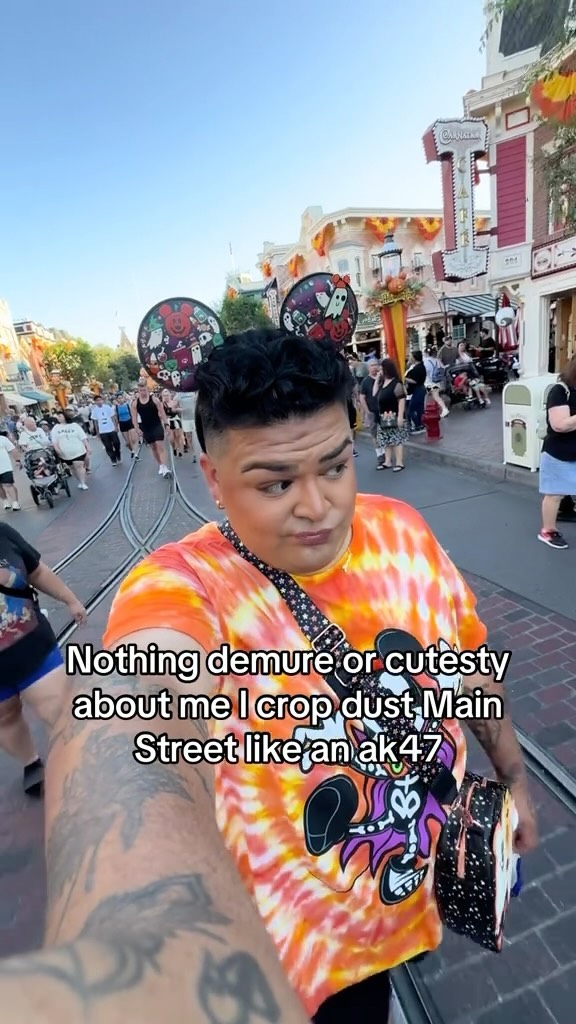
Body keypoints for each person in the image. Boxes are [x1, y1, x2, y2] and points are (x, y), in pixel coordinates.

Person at [0, 327, 538, 1022]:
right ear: (212, 479)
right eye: (276, 482)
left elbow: (467, 665)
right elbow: (128, 714)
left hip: (417, 877)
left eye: (335, 467)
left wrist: (515, 779)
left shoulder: (402, 529)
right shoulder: (183, 585)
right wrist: (134, 934)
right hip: (301, 954)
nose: (317, 506)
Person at [0, 523, 86, 795]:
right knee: (4, 717)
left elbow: (37, 571)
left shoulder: (2, 533)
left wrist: (70, 599)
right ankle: (31, 762)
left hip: (32, 647)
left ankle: (77, 763)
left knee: (59, 710)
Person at [538, 354, 576, 549]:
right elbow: (560, 424)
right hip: (559, 453)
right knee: (555, 494)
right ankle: (548, 531)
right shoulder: (560, 391)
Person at [374, 357, 408, 471]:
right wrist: (377, 379)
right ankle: (387, 461)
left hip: (394, 414)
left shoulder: (396, 383)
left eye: (381, 369)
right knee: (386, 440)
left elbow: (401, 399)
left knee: (396, 439)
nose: (379, 371)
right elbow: (374, 394)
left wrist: (400, 416)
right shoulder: (382, 383)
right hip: (383, 416)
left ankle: (399, 462)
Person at [131, 379, 170, 476]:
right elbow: (134, 417)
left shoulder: (154, 400)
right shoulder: (135, 403)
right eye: (141, 390)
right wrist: (137, 428)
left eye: (144, 390)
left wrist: (166, 424)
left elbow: (162, 412)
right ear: (138, 391)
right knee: (153, 447)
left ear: (147, 389)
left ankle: (165, 467)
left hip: (156, 425)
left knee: (160, 445)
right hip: (146, 427)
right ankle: (160, 465)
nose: (143, 392)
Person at [50, 412, 90, 490]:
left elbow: (83, 437)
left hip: (78, 450)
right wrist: (57, 449)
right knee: (73, 468)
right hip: (65, 453)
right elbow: (54, 441)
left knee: (79, 465)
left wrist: (88, 446)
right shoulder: (56, 428)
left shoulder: (74, 425)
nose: (58, 418)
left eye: (60, 416)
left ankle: (83, 482)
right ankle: (79, 480)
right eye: (57, 416)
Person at [358, 360, 381, 466]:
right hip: (372, 411)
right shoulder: (365, 381)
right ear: (368, 368)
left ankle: (386, 452)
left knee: (385, 432)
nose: (374, 367)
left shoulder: (382, 378)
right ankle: (379, 454)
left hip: (384, 411)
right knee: (374, 433)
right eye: (372, 365)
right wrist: (367, 411)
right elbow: (362, 397)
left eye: (376, 365)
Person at [91, 395, 121, 465]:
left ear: (102, 400)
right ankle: (113, 459)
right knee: (108, 446)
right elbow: (95, 422)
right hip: (103, 431)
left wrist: (116, 427)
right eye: (97, 400)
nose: (99, 402)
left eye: (100, 400)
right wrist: (97, 432)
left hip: (111, 429)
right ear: (95, 402)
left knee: (116, 443)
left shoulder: (107, 407)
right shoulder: (94, 410)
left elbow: (113, 417)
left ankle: (118, 454)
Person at [404, 350, 426, 433]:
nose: (409, 358)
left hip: (418, 390)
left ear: (414, 358)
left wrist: (405, 379)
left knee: (411, 409)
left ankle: (418, 425)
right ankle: (421, 424)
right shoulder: (418, 366)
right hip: (418, 390)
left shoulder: (418, 368)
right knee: (419, 408)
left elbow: (415, 381)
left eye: (411, 356)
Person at [0, 429, 21, 511]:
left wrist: (17, 460)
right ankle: (5, 501)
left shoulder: (2, 439)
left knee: (8, 484)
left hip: (5, 467)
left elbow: (13, 450)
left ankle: (15, 502)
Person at [115, 393, 139, 458]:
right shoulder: (116, 407)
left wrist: (135, 422)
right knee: (128, 442)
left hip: (129, 422)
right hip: (122, 424)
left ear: (123, 398)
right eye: (119, 398)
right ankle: (132, 451)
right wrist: (116, 426)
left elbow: (132, 413)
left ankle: (135, 453)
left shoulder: (127, 405)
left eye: (121, 398)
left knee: (133, 439)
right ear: (117, 400)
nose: (120, 399)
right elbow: (116, 417)